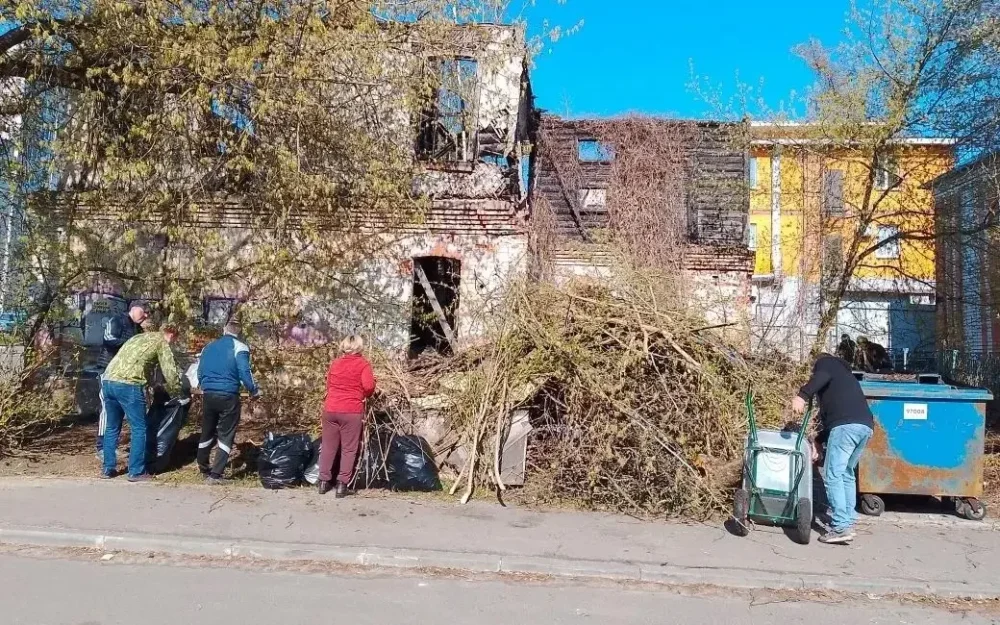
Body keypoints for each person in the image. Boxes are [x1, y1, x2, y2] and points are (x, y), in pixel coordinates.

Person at [792, 352, 874, 545]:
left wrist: (802, 395)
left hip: (846, 427)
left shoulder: (827, 363)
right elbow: (836, 416)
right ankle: (848, 518)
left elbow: (821, 377)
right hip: (865, 426)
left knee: (833, 474)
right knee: (846, 473)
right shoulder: (844, 377)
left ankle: (840, 527)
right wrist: (819, 441)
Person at [100, 326, 182, 481]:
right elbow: (170, 370)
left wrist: (151, 384)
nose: (173, 342)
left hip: (108, 380)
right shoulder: (161, 342)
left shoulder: (138, 337)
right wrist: (177, 391)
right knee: (139, 428)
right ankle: (136, 471)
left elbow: (140, 363)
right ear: (171, 334)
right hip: (128, 385)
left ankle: (107, 469)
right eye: (174, 339)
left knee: (112, 427)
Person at [196, 322, 260, 484]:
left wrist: (204, 385)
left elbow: (200, 370)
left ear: (224, 330)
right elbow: (245, 371)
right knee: (226, 433)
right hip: (228, 394)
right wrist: (253, 390)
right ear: (239, 333)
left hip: (209, 394)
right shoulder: (240, 347)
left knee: (207, 431)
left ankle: (203, 467)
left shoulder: (208, 347)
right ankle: (215, 475)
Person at [318, 335, 376, 497]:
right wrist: (363, 393)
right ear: (359, 347)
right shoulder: (363, 364)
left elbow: (328, 384)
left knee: (329, 446)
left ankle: (323, 482)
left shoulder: (335, 363)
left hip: (330, 408)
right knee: (349, 449)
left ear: (344, 346)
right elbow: (369, 387)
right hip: (351, 410)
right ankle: (342, 485)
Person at [95, 304, 148, 460]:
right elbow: (109, 339)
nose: (144, 315)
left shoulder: (137, 328)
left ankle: (111, 448)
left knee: (117, 412)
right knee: (106, 407)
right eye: (142, 312)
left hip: (125, 374)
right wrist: (131, 343)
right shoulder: (117, 320)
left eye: (146, 314)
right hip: (108, 369)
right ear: (133, 308)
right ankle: (101, 446)